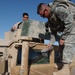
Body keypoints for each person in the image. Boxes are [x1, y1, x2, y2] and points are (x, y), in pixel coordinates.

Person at [37, 2, 75, 75]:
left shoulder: (59, 10)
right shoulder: (50, 20)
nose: (43, 17)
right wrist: (50, 43)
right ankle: (63, 64)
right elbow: (53, 33)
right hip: (68, 27)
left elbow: (70, 23)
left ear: (46, 10)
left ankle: (66, 70)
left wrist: (63, 38)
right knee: (61, 45)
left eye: (43, 15)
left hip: (73, 24)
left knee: (67, 42)